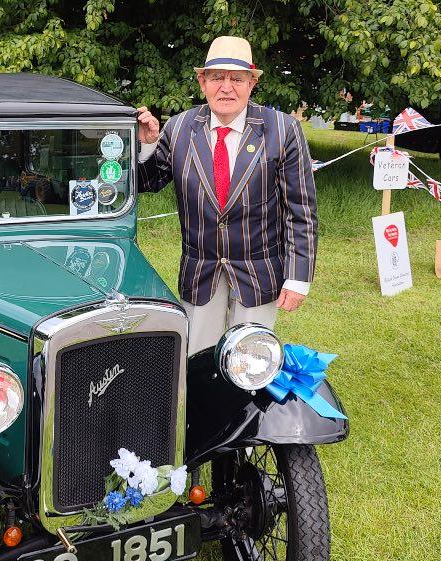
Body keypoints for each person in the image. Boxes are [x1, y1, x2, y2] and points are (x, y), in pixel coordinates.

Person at [136, 35, 318, 354]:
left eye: (237, 78)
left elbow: (300, 210)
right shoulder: (178, 128)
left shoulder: (284, 130)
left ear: (252, 84)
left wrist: (298, 277)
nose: (226, 87)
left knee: (250, 360)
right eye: (217, 77)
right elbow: (148, 182)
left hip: (259, 272)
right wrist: (148, 145)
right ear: (202, 82)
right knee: (198, 360)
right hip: (200, 271)